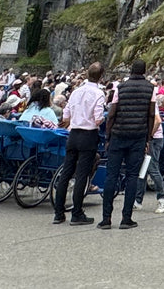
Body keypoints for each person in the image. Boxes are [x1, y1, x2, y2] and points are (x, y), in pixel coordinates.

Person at [101, 60, 156, 229]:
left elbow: (111, 114)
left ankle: (106, 218)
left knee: (112, 175)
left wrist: (108, 136)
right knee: (133, 176)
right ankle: (126, 218)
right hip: (138, 136)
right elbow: (151, 114)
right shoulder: (150, 89)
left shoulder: (120, 88)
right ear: (144, 71)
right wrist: (147, 138)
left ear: (131, 70)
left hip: (119, 133)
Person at [53, 63, 106, 226]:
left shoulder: (76, 92)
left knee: (66, 172)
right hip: (88, 134)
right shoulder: (98, 93)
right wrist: (101, 119)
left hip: (73, 133)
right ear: (101, 77)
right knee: (82, 174)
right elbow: (98, 118)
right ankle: (76, 212)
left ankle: (59, 212)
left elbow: (66, 115)